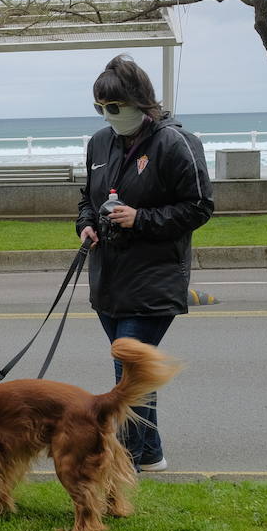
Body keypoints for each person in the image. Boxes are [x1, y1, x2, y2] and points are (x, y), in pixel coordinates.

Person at [76, 55, 214, 471]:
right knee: (130, 373)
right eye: (100, 108)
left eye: (113, 107)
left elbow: (200, 207)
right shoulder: (99, 143)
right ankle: (149, 453)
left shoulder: (176, 143)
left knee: (129, 369)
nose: (107, 116)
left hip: (154, 277)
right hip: (109, 278)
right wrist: (86, 224)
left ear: (139, 102)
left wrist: (141, 218)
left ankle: (133, 458)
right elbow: (88, 197)